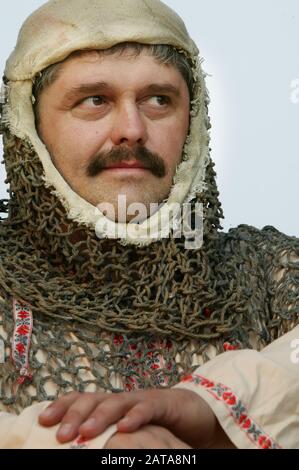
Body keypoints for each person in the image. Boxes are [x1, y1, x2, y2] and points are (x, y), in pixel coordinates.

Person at [0, 0, 298, 449]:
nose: (132, 129)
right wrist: (101, 445)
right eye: (94, 100)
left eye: (159, 100)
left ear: (193, 122)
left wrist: (211, 407)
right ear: (28, 126)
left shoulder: (270, 276)